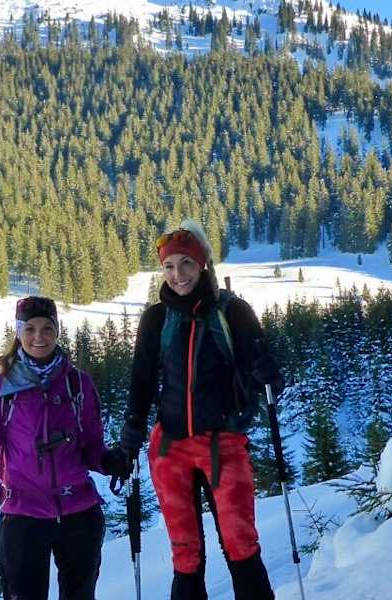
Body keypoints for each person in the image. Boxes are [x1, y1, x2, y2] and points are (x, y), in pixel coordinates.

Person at [104, 220, 285, 599]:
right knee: (185, 555)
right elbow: (141, 381)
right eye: (169, 266)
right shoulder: (156, 319)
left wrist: (267, 374)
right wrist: (130, 440)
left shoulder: (232, 311)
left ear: (202, 264)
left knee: (241, 544)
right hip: (170, 448)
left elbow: (262, 366)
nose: (177, 274)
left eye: (185, 263)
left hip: (223, 443)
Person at [0, 296, 117, 600]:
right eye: (30, 329)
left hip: (79, 512)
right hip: (23, 514)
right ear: (18, 332)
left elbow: (91, 446)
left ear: (58, 331)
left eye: (47, 328)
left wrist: (109, 461)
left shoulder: (78, 384)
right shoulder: (0, 386)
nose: (39, 337)